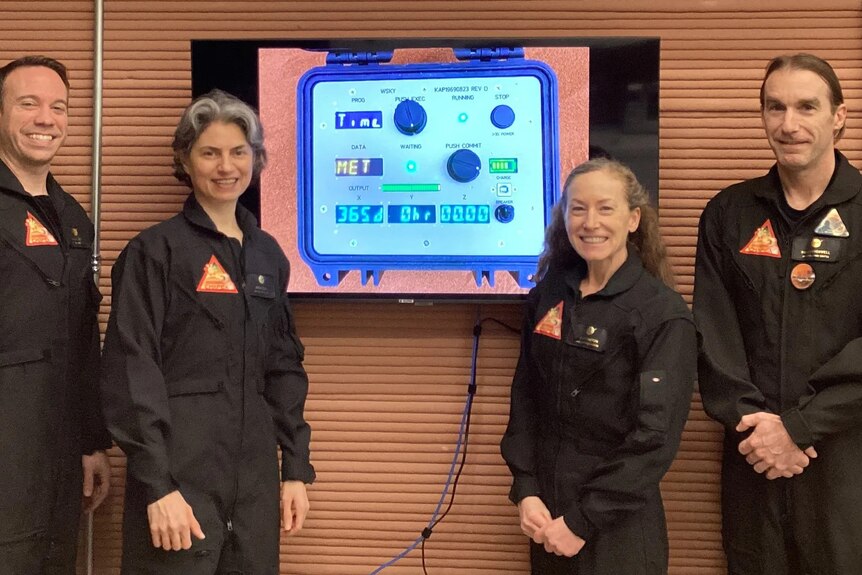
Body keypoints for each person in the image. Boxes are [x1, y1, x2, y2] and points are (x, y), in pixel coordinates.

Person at [100, 89, 315, 574]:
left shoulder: (268, 256)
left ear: (255, 159)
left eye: (239, 152)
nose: (226, 166)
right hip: (179, 481)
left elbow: (283, 367)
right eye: (210, 152)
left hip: (254, 486)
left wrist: (295, 469)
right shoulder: (154, 253)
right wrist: (158, 486)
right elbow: (132, 370)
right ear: (185, 160)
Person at [694, 52, 862, 574]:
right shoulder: (728, 214)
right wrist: (764, 432)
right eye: (775, 107)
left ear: (838, 116)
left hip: (844, 458)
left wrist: (801, 428)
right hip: (754, 456)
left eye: (806, 107)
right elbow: (711, 335)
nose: (788, 124)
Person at [501, 158, 696, 574]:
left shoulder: (662, 314)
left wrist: (582, 520)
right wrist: (527, 489)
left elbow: (654, 440)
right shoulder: (549, 295)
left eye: (605, 208)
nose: (591, 222)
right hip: (546, 521)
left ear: (633, 219)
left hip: (617, 529)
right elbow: (526, 398)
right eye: (578, 208)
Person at [0, 55, 112, 573]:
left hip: (59, 455)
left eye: (59, 107)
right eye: (28, 103)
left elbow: (84, 340)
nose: (47, 118)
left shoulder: (73, 219)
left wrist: (92, 442)